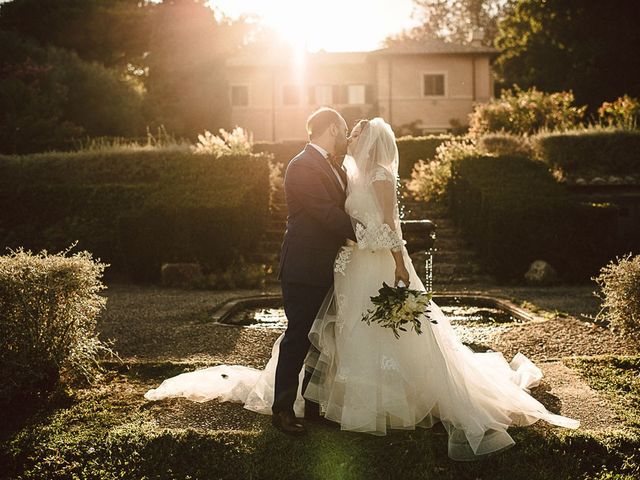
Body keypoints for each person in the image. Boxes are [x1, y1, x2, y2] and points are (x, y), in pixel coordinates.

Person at [144, 116, 580, 461]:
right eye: (343, 130)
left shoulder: (367, 175)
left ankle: (375, 401)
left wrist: (390, 256)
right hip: (332, 263)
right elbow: (327, 214)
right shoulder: (309, 166)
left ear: (367, 141)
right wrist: (361, 235)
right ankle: (288, 407)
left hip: (366, 262)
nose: (348, 136)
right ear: (329, 129)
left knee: (368, 332)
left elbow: (388, 224)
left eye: (355, 133)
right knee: (319, 332)